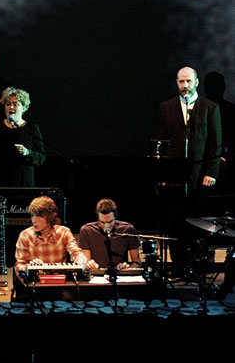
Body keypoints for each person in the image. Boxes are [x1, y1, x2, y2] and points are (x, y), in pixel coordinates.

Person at [155, 66, 223, 215]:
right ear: (177, 82)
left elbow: (215, 143)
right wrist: (162, 173)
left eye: (189, 81)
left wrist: (211, 172)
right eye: (181, 81)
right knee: (174, 214)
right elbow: (161, 142)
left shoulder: (210, 107)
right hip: (173, 175)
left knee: (197, 215)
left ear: (196, 82)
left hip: (200, 174)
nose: (185, 85)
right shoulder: (166, 107)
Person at [0, 87, 45, 187]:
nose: (11, 107)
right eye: (8, 104)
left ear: (24, 107)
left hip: (23, 183)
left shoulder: (31, 128)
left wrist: (27, 152)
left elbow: (41, 157)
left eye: (16, 104)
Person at [14, 196, 86, 273]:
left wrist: (81, 259)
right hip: (36, 278)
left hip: (59, 278)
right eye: (32, 215)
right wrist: (29, 267)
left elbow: (76, 252)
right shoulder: (25, 235)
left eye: (38, 216)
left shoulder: (64, 232)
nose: (34, 220)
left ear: (49, 217)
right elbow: (19, 265)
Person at [78, 199, 140, 270]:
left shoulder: (127, 229)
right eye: (102, 222)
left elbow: (137, 263)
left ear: (115, 217)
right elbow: (86, 262)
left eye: (110, 222)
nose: (106, 226)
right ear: (98, 218)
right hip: (96, 274)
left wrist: (127, 269)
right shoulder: (87, 230)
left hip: (120, 274)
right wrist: (90, 265)